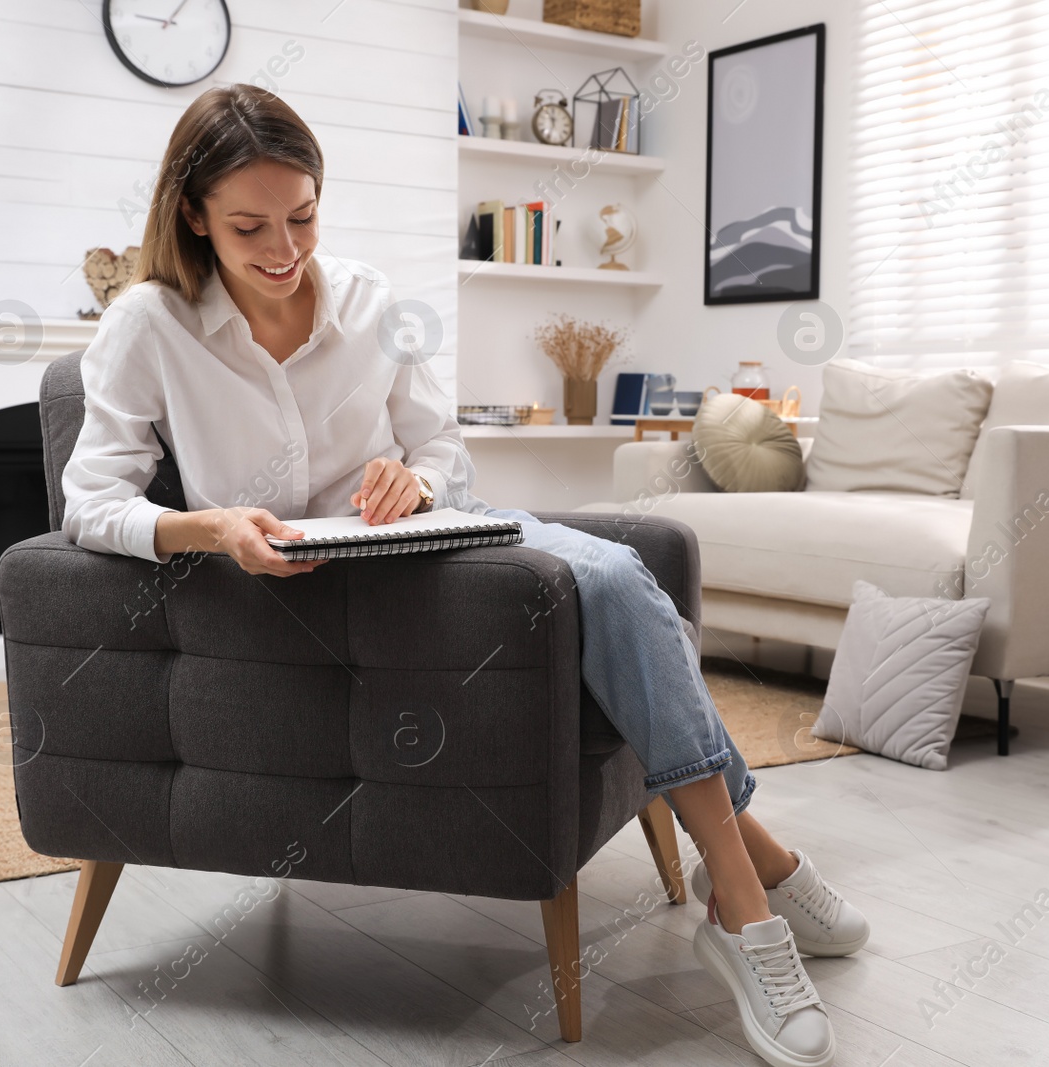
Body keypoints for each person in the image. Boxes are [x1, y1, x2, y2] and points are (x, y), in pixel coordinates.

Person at [62, 84, 868, 1067]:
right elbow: (91, 504)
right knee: (602, 587)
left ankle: (737, 891)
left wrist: (417, 473)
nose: (284, 249)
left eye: (304, 216)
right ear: (192, 213)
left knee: (612, 578)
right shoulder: (149, 322)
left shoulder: (366, 299)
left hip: (429, 544)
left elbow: (444, 444)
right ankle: (758, 875)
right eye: (249, 226)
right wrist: (212, 524)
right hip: (299, 588)